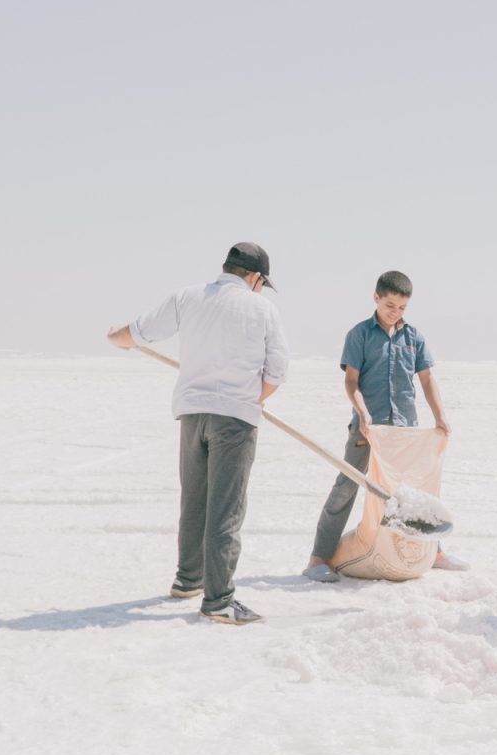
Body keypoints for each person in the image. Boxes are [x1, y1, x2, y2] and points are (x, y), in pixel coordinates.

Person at [107, 242, 289, 625]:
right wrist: (252, 400)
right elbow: (276, 373)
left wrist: (116, 338)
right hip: (234, 419)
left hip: (191, 414)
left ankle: (189, 579)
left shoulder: (188, 297)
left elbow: (133, 334)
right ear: (256, 278)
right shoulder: (263, 309)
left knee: (195, 500)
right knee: (225, 508)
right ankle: (219, 599)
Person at [302, 270, 465, 581]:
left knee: (415, 492)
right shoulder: (360, 334)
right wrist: (363, 414)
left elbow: (427, 380)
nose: (396, 312)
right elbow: (351, 381)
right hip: (368, 429)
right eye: (390, 305)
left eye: (402, 307)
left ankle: (436, 552)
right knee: (346, 487)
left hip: (404, 431)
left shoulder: (413, 337)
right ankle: (317, 558)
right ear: (376, 298)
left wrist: (440, 417)